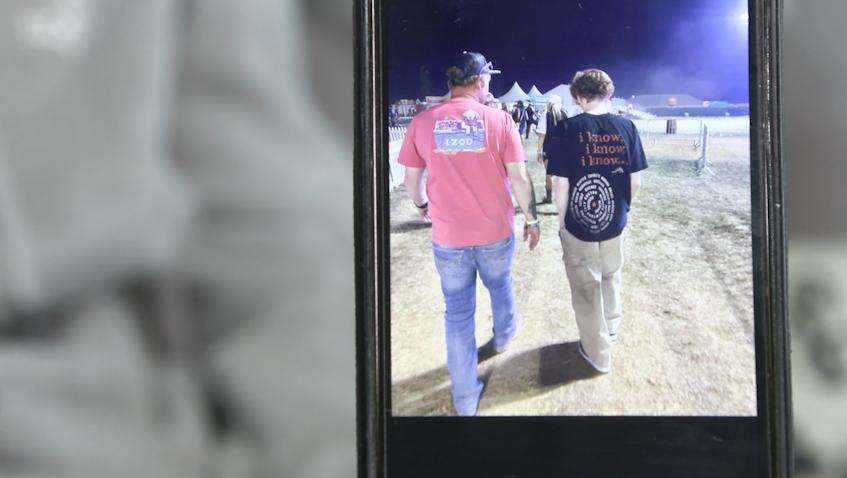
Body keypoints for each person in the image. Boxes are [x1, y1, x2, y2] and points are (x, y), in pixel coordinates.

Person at [398, 51, 540, 416]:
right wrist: (532, 218)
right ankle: (505, 334)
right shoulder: (500, 120)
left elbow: (412, 181)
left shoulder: (423, 121)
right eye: (488, 78)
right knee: (500, 282)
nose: (489, 84)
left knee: (458, 314)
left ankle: (464, 398)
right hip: (494, 230)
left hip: (449, 236)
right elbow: (519, 178)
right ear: (479, 81)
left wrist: (420, 206)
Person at [546, 69, 648, 373]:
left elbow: (560, 184)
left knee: (586, 288)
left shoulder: (566, 128)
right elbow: (636, 180)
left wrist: (561, 220)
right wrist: (623, 209)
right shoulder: (627, 127)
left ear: (578, 96)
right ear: (609, 94)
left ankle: (598, 353)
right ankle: (612, 327)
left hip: (579, 224)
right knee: (610, 275)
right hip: (615, 221)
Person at [535, 94, 567, 204]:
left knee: (549, 174)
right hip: (562, 149)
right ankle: (562, 199)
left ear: (549, 104)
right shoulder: (565, 114)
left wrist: (538, 151)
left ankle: (548, 198)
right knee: (561, 175)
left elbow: (542, 135)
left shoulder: (545, 114)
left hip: (549, 148)